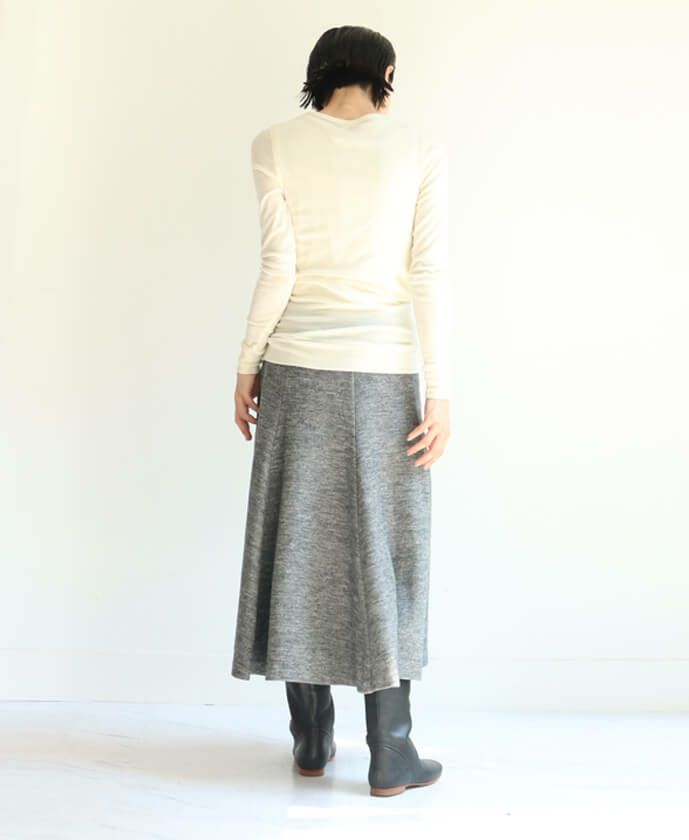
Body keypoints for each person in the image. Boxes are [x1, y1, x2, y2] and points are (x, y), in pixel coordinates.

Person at [230, 24, 451, 797]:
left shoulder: (274, 143)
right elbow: (427, 273)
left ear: (318, 74)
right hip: (386, 372)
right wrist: (440, 391)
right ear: (384, 73)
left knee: (299, 544)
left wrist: (248, 363)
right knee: (390, 552)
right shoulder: (418, 148)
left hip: (296, 369)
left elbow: (278, 265)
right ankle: (391, 750)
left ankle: (312, 739)